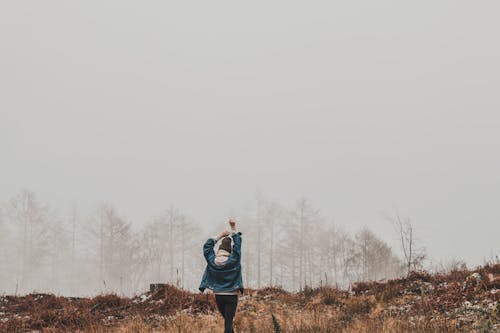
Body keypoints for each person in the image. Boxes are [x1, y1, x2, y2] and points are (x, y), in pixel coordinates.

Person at [199, 218, 243, 333]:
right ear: (230, 251)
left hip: (219, 295)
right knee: (228, 324)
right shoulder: (234, 260)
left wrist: (220, 235)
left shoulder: (212, 261)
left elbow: (207, 247)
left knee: (228, 324)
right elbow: (237, 245)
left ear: (219, 250)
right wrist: (233, 228)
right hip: (232, 295)